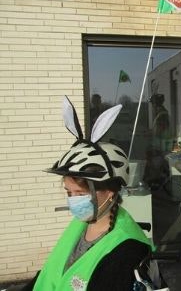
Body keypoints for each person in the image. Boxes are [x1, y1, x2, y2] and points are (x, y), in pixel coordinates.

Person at [22, 96, 153, 291]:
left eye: (80, 193)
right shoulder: (80, 224)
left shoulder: (128, 250)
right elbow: (51, 271)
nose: (74, 201)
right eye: (69, 192)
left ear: (109, 191)